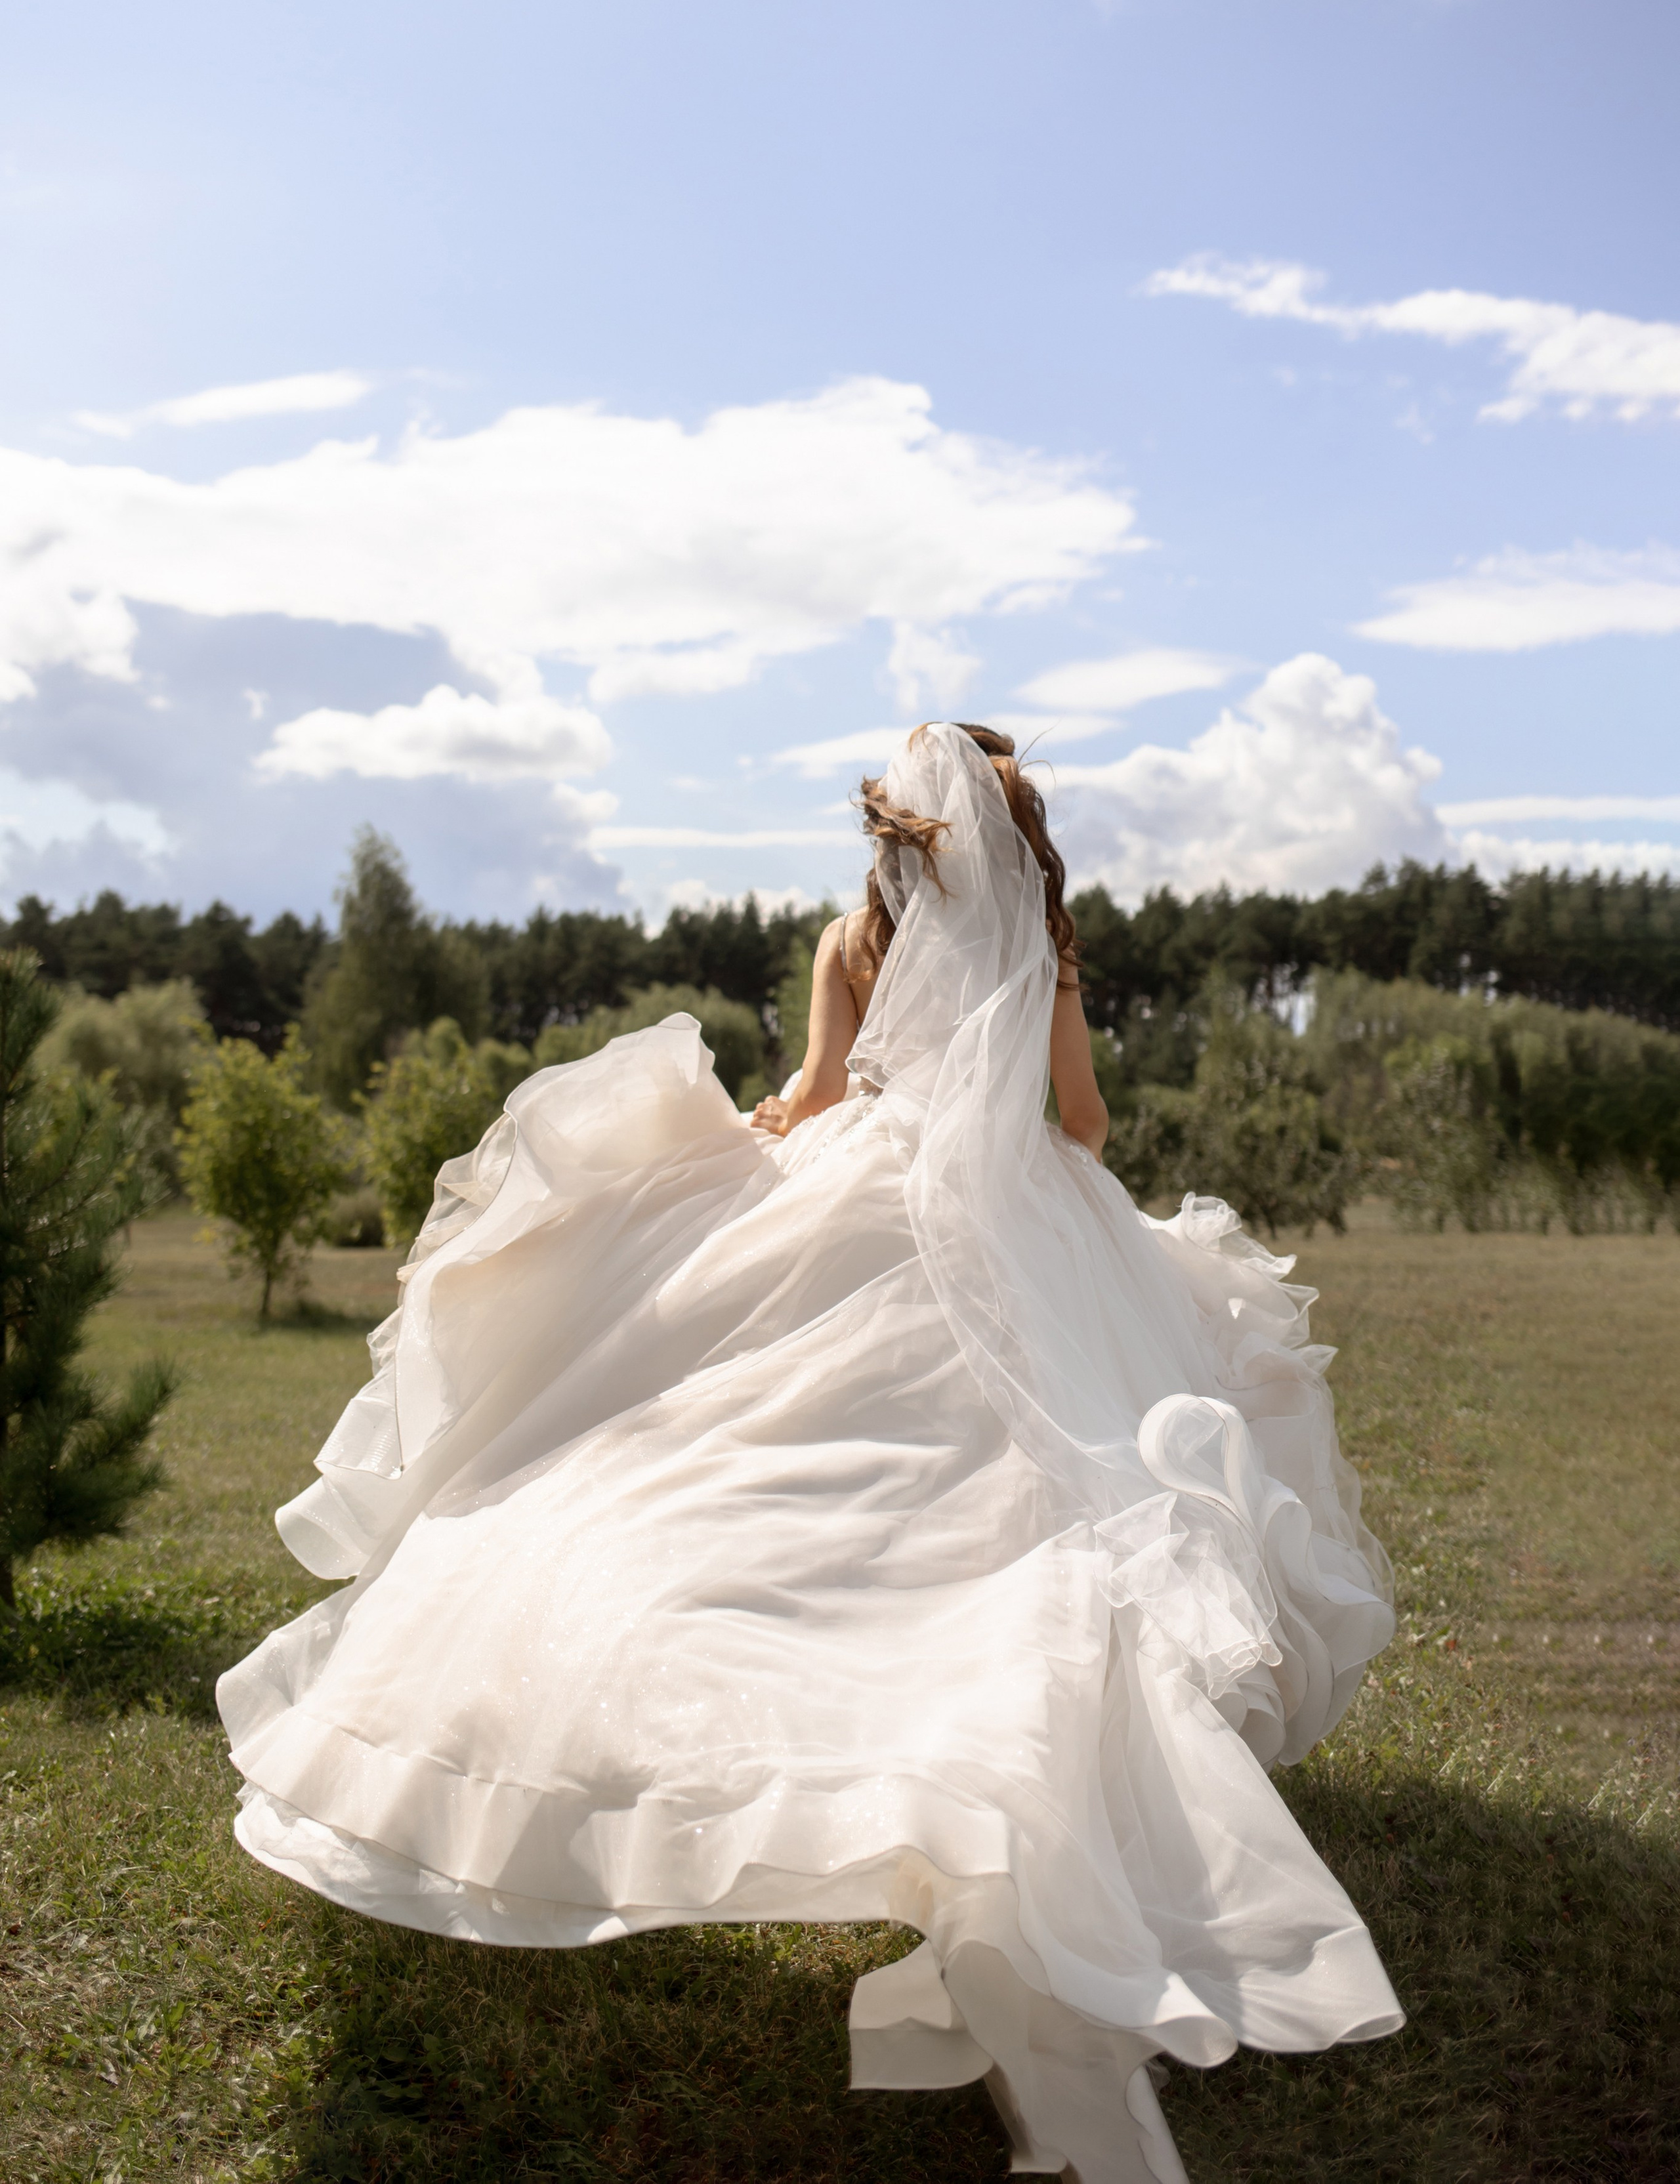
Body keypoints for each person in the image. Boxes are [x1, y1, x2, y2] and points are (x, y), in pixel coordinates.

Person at [219, 721, 1401, 2183]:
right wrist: (1053, 1214)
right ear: (1009, 836)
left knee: (709, 1435)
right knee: (1041, 1487)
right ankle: (1014, 1779)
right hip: (1022, 1210)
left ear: (891, 837)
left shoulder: (852, 937)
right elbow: (1079, 1122)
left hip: (866, 1193)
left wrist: (758, 1132)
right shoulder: (1046, 937)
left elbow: (827, 1093)